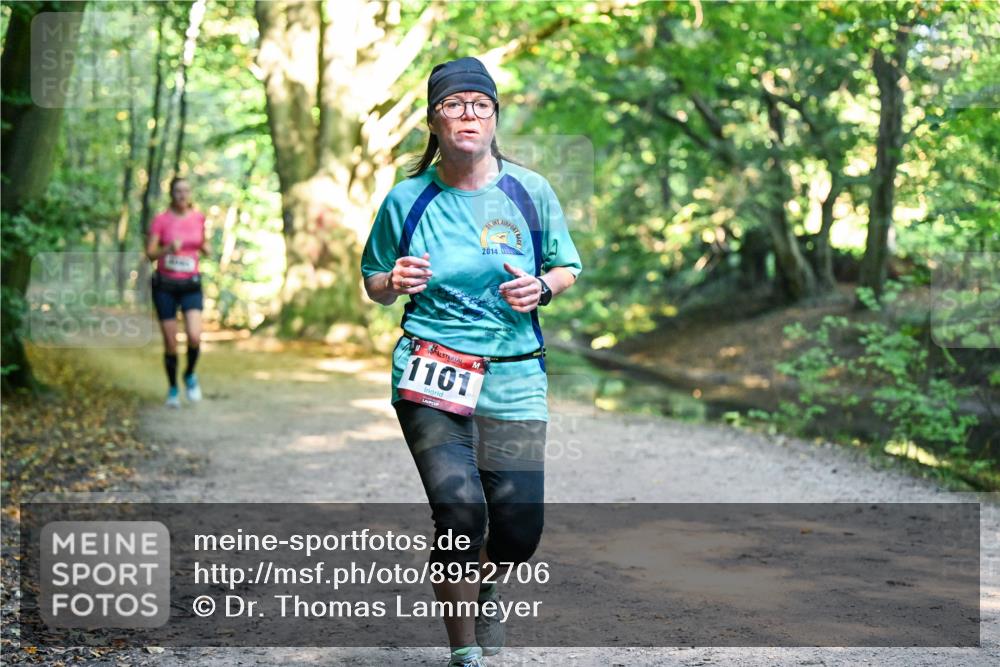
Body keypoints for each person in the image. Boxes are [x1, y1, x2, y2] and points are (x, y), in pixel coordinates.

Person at [361, 57, 582, 667]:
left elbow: (567, 266)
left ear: (494, 118)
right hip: (430, 370)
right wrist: (392, 280)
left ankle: (486, 585)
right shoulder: (407, 200)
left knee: (518, 530)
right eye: (453, 104)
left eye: (479, 105)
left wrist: (542, 287)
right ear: (434, 120)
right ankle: (465, 654)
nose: (468, 114)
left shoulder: (530, 191)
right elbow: (374, 279)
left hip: (514, 376)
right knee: (459, 510)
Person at [146, 177, 210, 408]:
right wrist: (166, 249)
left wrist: (207, 248)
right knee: (171, 342)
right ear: (171, 194)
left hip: (190, 284)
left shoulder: (199, 218)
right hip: (165, 286)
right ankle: (173, 388)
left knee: (194, 336)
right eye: (178, 191)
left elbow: (205, 244)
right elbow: (150, 254)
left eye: (186, 190)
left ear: (190, 193)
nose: (182, 195)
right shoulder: (161, 220)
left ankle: (190, 375)